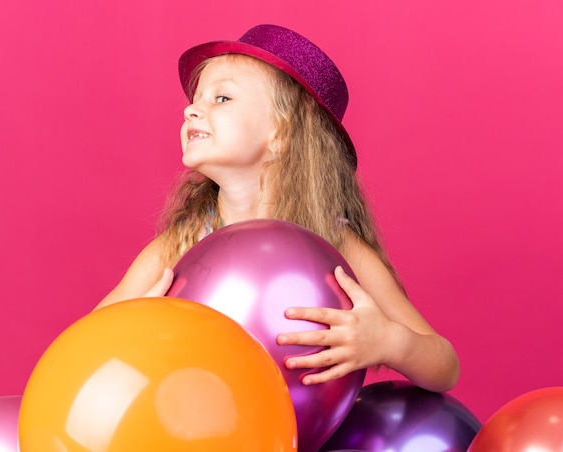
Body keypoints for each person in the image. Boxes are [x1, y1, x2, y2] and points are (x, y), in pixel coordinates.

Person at [96, 24, 460, 393]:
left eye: (222, 98)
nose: (192, 109)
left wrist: (389, 342)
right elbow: (86, 343)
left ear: (282, 134)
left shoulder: (336, 246)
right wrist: (133, 331)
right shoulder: (180, 246)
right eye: (196, 98)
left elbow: (445, 367)